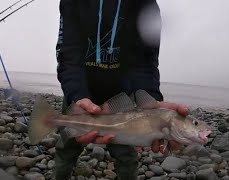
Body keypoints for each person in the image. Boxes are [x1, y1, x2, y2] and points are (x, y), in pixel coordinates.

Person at [54, 0, 189, 179]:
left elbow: (144, 61)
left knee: (126, 156)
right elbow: (69, 54)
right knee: (67, 148)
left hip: (122, 99)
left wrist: (149, 98)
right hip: (80, 93)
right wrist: (77, 95)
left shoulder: (145, 4)